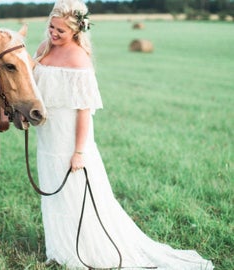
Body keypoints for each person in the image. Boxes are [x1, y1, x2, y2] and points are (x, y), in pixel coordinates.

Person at [33, 0, 214, 269]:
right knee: (54, 195)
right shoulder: (43, 49)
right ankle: (60, 248)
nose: (53, 33)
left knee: (75, 195)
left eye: (60, 30)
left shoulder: (79, 58)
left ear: (76, 31)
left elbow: (84, 111)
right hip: (47, 139)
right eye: (51, 26)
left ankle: (86, 250)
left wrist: (79, 152)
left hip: (69, 141)